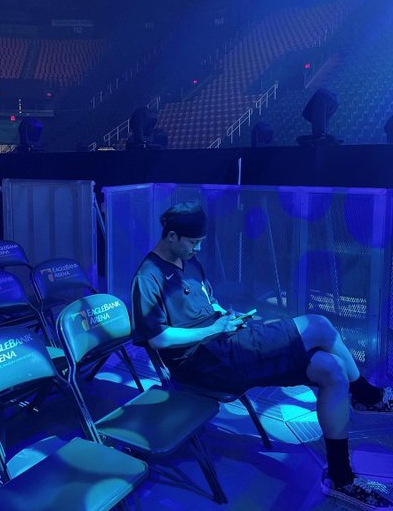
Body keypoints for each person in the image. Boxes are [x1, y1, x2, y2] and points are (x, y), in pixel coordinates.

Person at [131, 201, 393, 511]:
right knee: (319, 325)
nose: (197, 248)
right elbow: (158, 338)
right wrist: (213, 329)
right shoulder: (148, 277)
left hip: (227, 344)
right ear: (171, 236)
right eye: (192, 242)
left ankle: (340, 476)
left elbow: (209, 302)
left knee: (331, 369)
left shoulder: (188, 261)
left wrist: (225, 316)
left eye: (200, 241)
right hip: (204, 364)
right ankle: (367, 396)